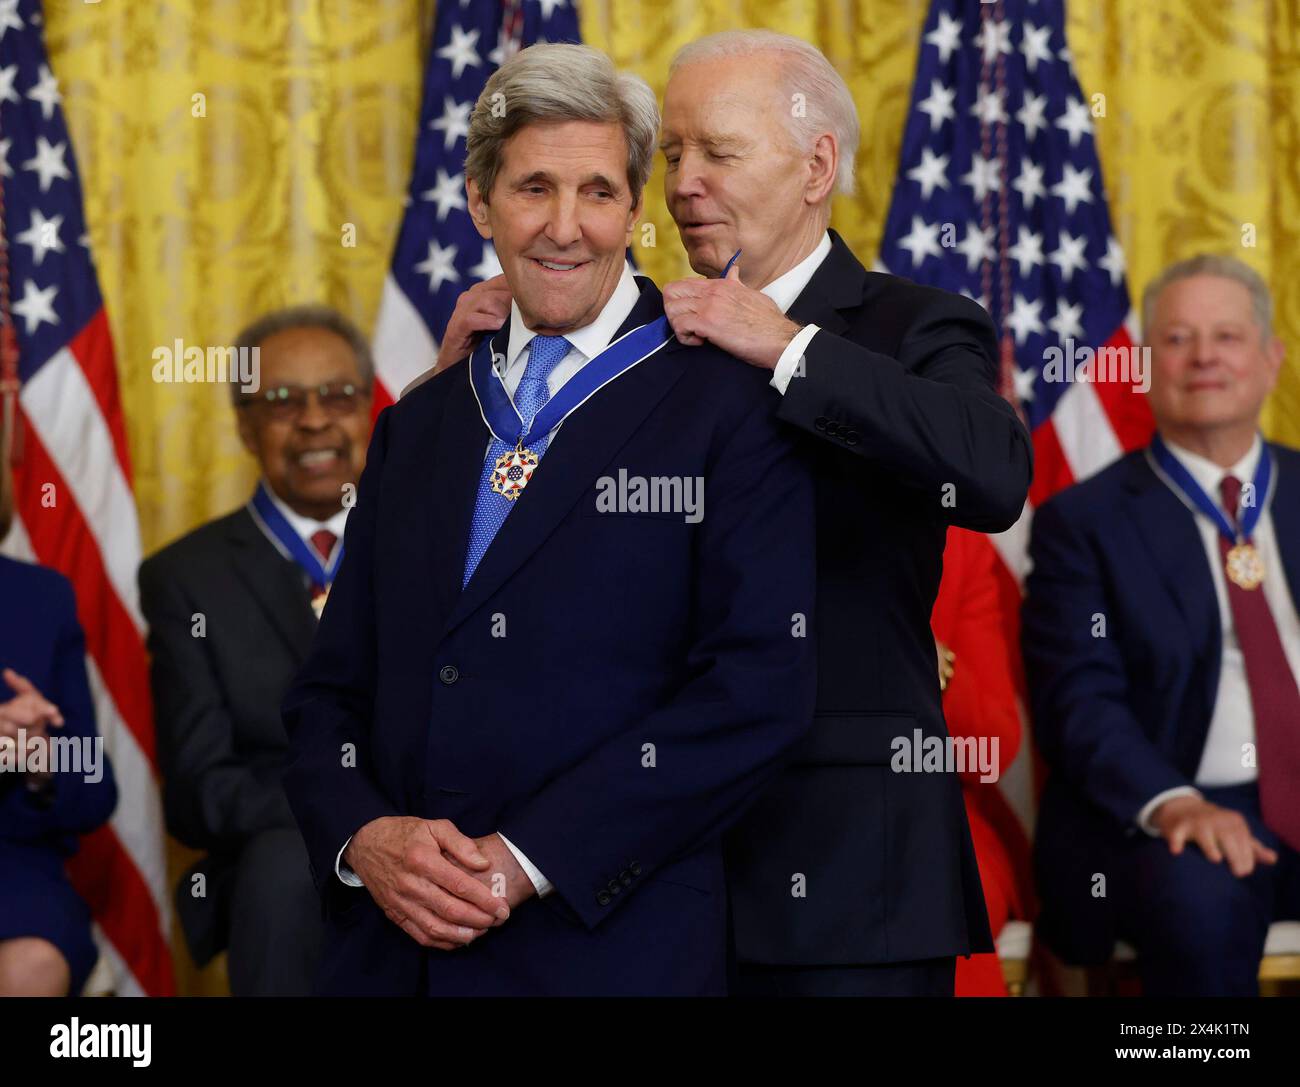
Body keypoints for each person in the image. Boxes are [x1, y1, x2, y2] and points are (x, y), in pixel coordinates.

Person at [440, 29, 1032, 997]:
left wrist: (789, 346)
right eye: (671, 155)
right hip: (631, 864)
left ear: (815, 166)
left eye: (718, 152)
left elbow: (992, 474)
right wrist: (467, 392)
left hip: (843, 873)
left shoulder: (911, 325)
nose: (682, 184)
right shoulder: (621, 335)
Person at [280, 43, 817, 997]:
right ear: (482, 204)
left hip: (609, 947)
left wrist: (526, 858)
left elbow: (757, 690)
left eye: (599, 192)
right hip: (391, 958)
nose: (566, 227)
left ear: (635, 209)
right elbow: (328, 697)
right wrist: (366, 838)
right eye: (534, 187)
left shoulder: (730, 407)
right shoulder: (418, 421)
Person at [1024, 254, 1300, 996]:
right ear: (1144, 368)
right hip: (1171, 807)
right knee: (1198, 905)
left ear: (1271, 360)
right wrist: (1174, 801)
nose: (1205, 356)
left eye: (1228, 336)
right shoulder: (1079, 524)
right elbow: (1079, 704)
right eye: (1178, 339)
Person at [138, 306, 373, 996]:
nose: (313, 420)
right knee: (281, 864)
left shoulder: (431, 540)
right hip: (283, 858)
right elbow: (199, 790)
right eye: (280, 401)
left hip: (437, 833)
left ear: (368, 408)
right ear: (244, 425)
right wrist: (353, 820)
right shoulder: (185, 577)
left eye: (337, 395)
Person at [0, 421, 119, 996]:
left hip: (12, 863)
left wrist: (41, 760)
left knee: (30, 966)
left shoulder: (40, 598)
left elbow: (94, 787)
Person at [931, 527, 1033, 997]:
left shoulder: (957, 539)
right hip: (773, 810)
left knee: (932, 899)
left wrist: (935, 667)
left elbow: (992, 750)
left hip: (935, 824)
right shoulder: (758, 513)